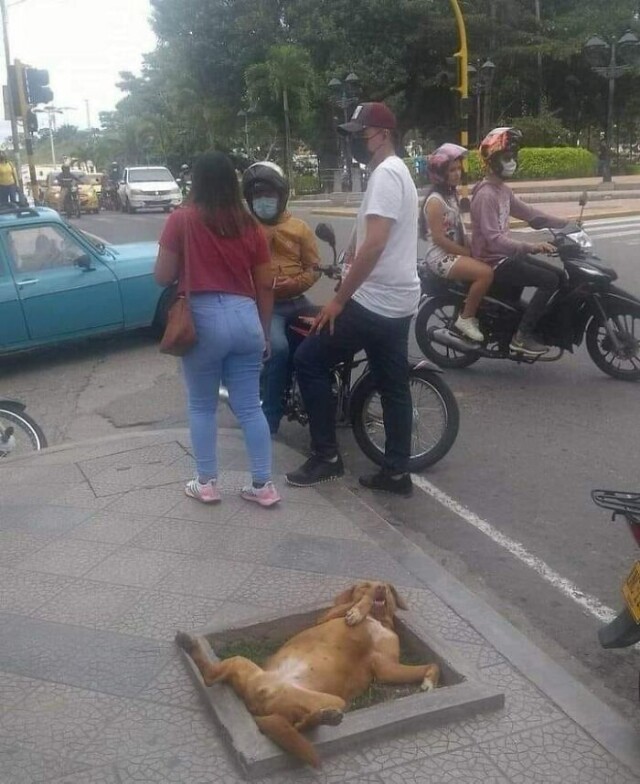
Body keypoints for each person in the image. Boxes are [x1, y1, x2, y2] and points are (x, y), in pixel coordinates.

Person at [286, 102, 419, 497]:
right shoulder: (399, 174)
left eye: (361, 134)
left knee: (308, 360)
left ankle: (326, 455)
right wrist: (344, 258)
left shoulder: (385, 176)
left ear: (382, 134)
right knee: (393, 386)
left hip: (374, 301)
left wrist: (339, 301)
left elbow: (375, 244)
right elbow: (368, 236)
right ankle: (397, 472)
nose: (356, 143)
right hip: (399, 300)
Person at [154, 151, 280, 507]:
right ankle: (263, 485)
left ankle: (207, 483)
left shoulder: (181, 220)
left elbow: (162, 276)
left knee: (201, 405)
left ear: (196, 182)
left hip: (203, 318)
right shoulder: (250, 224)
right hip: (246, 318)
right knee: (250, 407)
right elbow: (266, 284)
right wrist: (265, 332)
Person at [470, 127, 566, 355]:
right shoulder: (486, 195)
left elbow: (530, 214)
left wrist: (564, 224)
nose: (511, 162)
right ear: (492, 161)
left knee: (561, 276)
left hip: (505, 256)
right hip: (493, 261)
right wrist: (530, 247)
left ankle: (534, 325)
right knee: (549, 280)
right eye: (506, 157)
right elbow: (493, 240)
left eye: (512, 157)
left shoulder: (502, 191)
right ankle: (521, 337)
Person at [242, 161, 321, 434]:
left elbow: (314, 268)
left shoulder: (299, 228)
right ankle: (269, 419)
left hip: (298, 301)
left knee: (323, 341)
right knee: (279, 349)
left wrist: (297, 281)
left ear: (282, 196)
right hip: (267, 307)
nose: (263, 202)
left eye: (268, 196)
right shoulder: (245, 230)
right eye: (257, 197)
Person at [420, 143, 493, 343]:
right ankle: (466, 318)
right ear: (439, 174)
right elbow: (439, 239)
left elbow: (459, 227)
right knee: (486, 274)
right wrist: (466, 252)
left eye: (458, 168)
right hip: (441, 258)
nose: (457, 173)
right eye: (451, 170)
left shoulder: (451, 195)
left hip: (455, 252)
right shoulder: (435, 201)